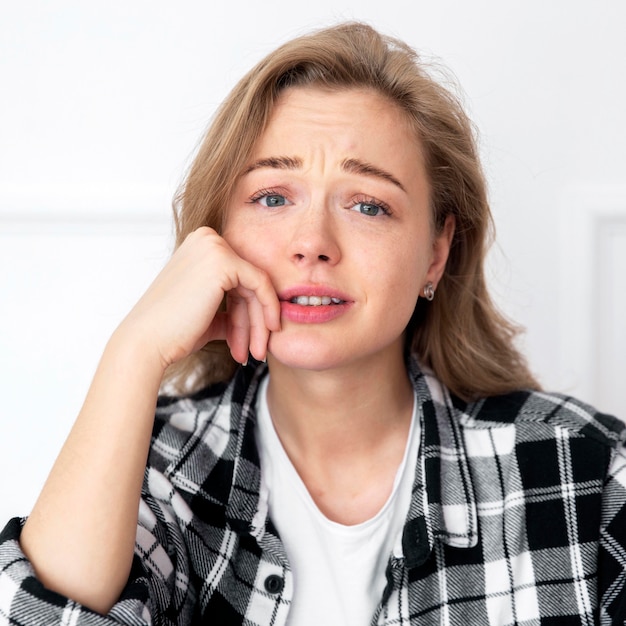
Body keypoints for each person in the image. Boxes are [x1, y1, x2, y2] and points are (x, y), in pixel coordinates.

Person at [0, 21, 624, 626]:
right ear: (215, 235)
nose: (312, 243)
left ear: (436, 251)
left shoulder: (590, 472)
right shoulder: (154, 462)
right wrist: (132, 351)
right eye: (273, 196)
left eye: (367, 205)